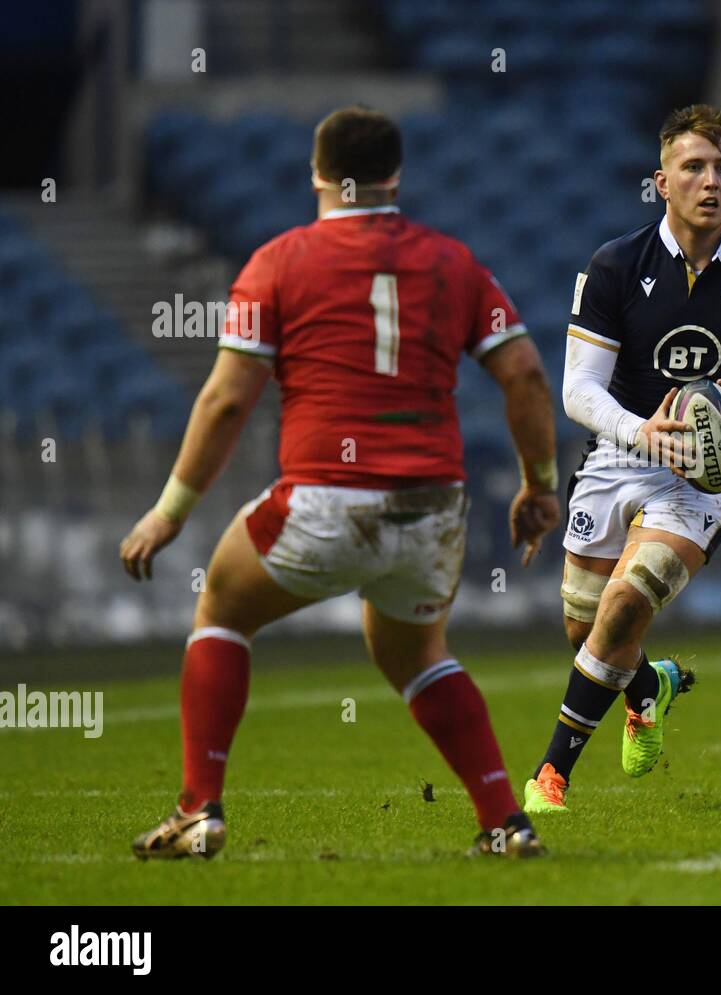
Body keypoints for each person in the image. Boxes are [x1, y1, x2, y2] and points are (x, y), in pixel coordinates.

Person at [120, 105, 560, 858]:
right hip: (433, 506)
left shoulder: (280, 260)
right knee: (415, 652)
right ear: (396, 176)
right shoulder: (453, 261)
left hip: (326, 498)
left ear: (318, 175)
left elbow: (227, 399)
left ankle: (199, 807)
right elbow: (521, 370)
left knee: (222, 605)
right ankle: (504, 820)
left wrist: (170, 511)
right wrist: (539, 484)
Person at [523, 104, 721, 814]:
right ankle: (646, 687)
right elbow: (578, 389)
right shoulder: (615, 264)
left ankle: (548, 774)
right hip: (621, 453)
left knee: (627, 603)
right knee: (587, 629)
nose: (710, 181)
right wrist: (639, 432)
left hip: (706, 470)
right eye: (693, 167)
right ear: (661, 181)